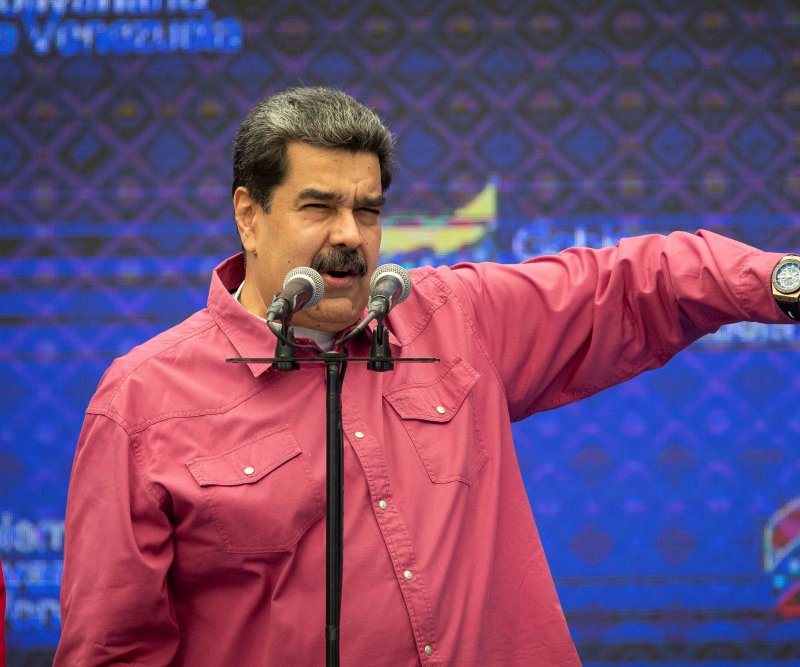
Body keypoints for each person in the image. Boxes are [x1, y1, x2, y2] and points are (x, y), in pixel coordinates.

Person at [55, 87, 797, 666]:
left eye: (367, 209)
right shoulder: (143, 399)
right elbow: (113, 647)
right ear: (249, 215)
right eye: (319, 207)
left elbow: (636, 281)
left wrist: (783, 280)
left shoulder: (452, 320)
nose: (349, 235)